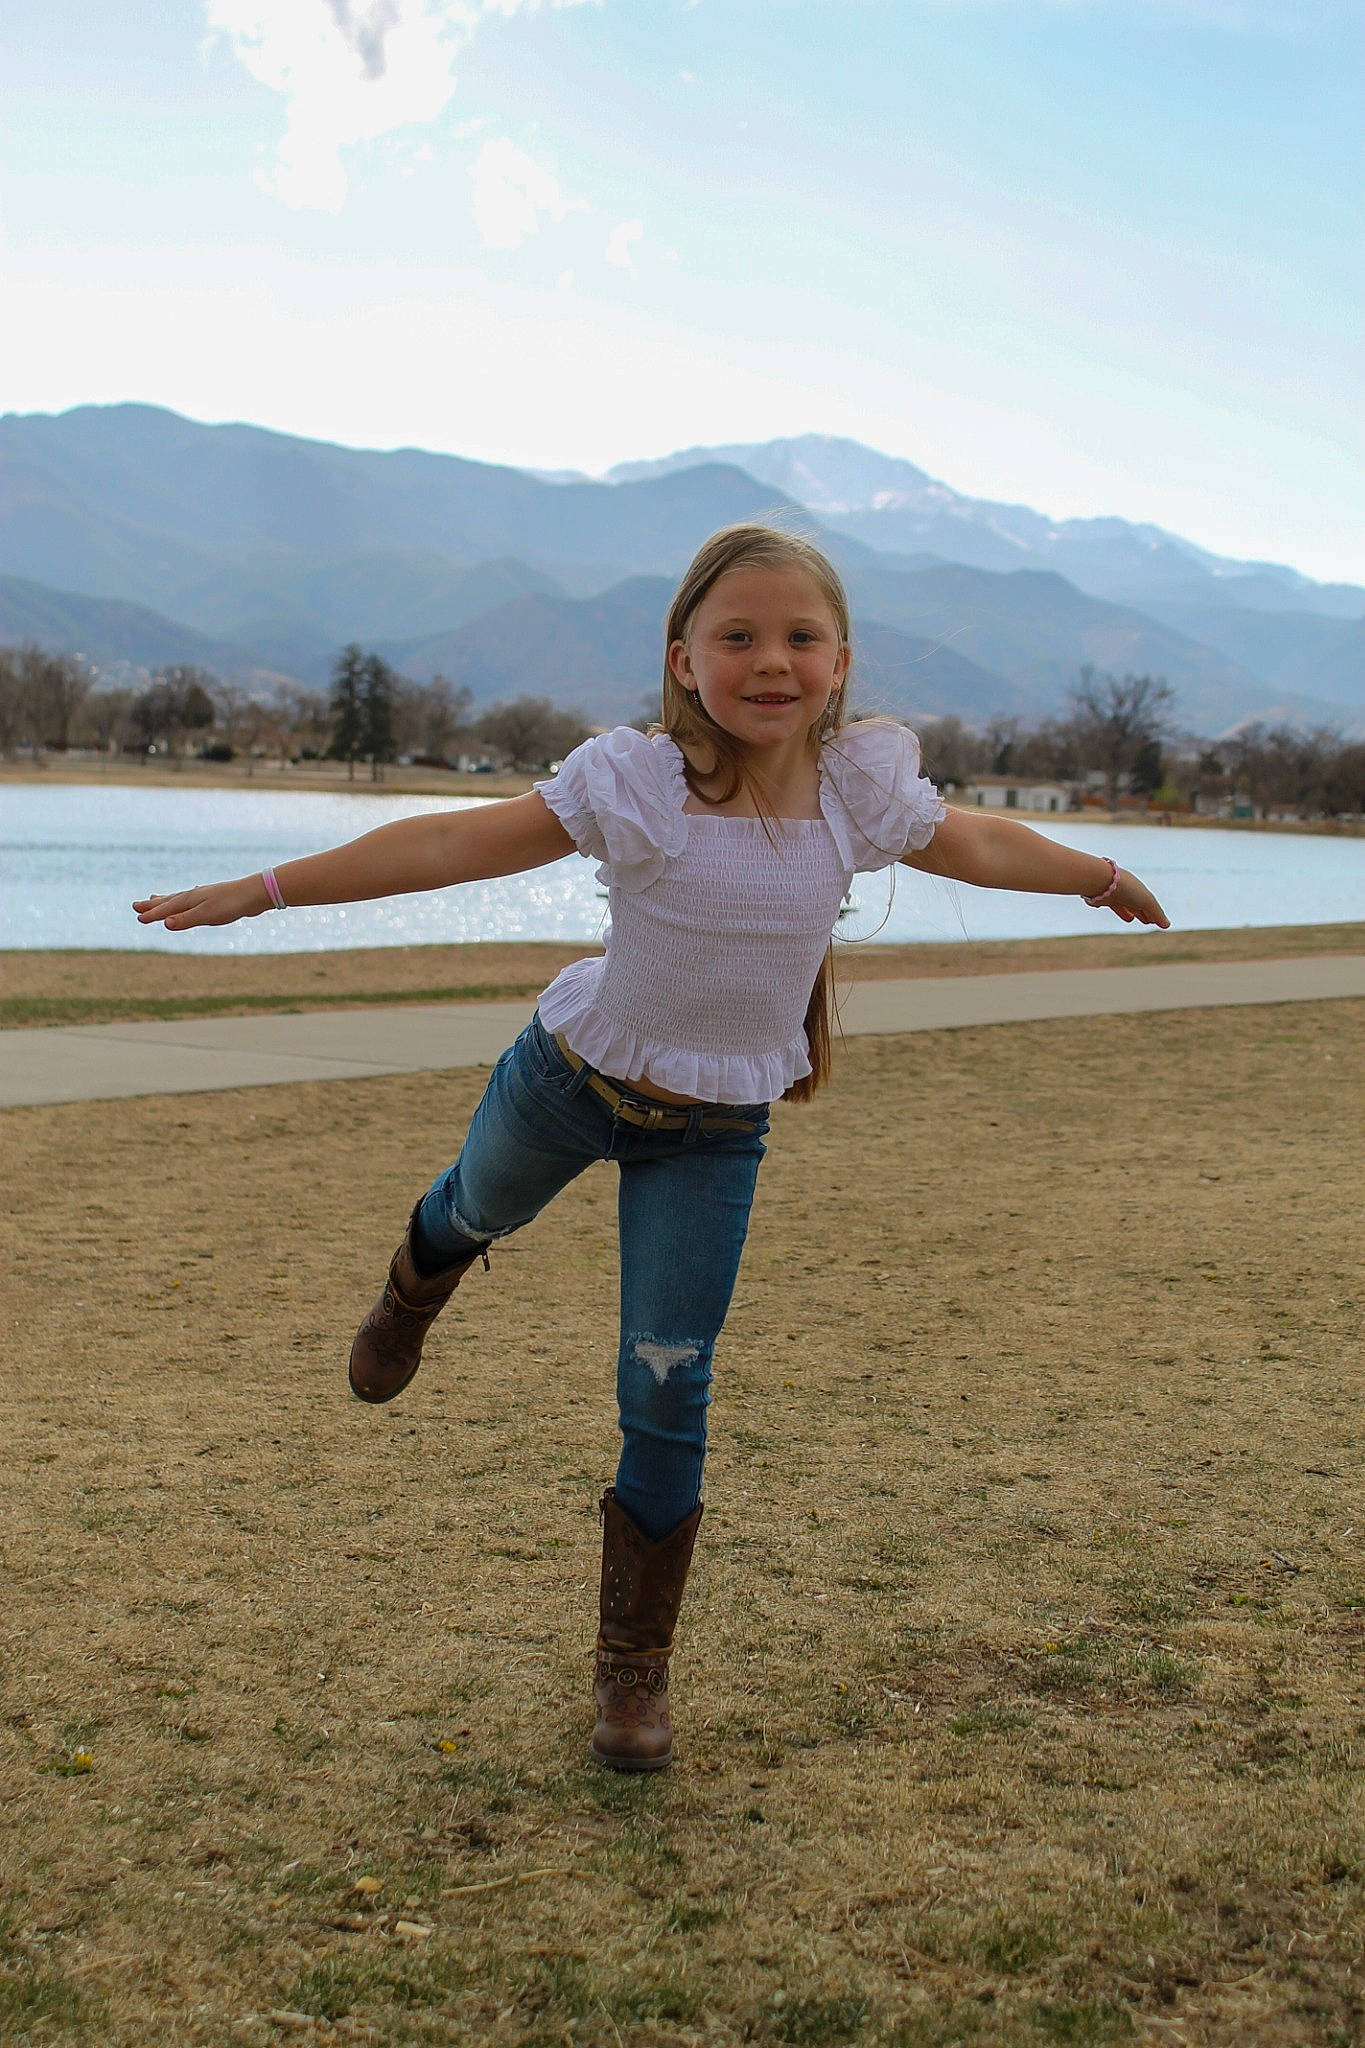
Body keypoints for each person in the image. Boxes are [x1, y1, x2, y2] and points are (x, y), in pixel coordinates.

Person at [134, 524, 1169, 1772]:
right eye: (737, 636)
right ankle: (415, 1284)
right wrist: (269, 888)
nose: (769, 661)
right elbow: (455, 843)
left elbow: (984, 843)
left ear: (840, 662)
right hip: (570, 1082)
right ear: (684, 659)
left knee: (669, 1387)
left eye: (798, 637)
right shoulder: (639, 782)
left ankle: (634, 1674)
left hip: (714, 1132)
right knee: (472, 1207)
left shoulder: (861, 789)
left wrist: (1096, 870)